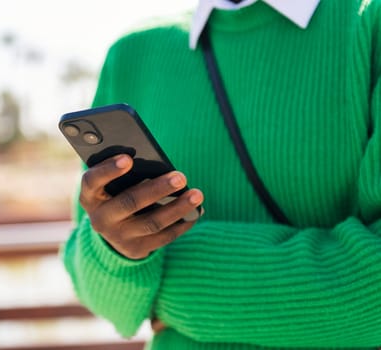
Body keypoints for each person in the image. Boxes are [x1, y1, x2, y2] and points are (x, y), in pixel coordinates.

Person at [62, 0, 381, 348]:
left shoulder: (369, 21)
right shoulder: (133, 54)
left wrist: (157, 279)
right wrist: (113, 249)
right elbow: (95, 287)